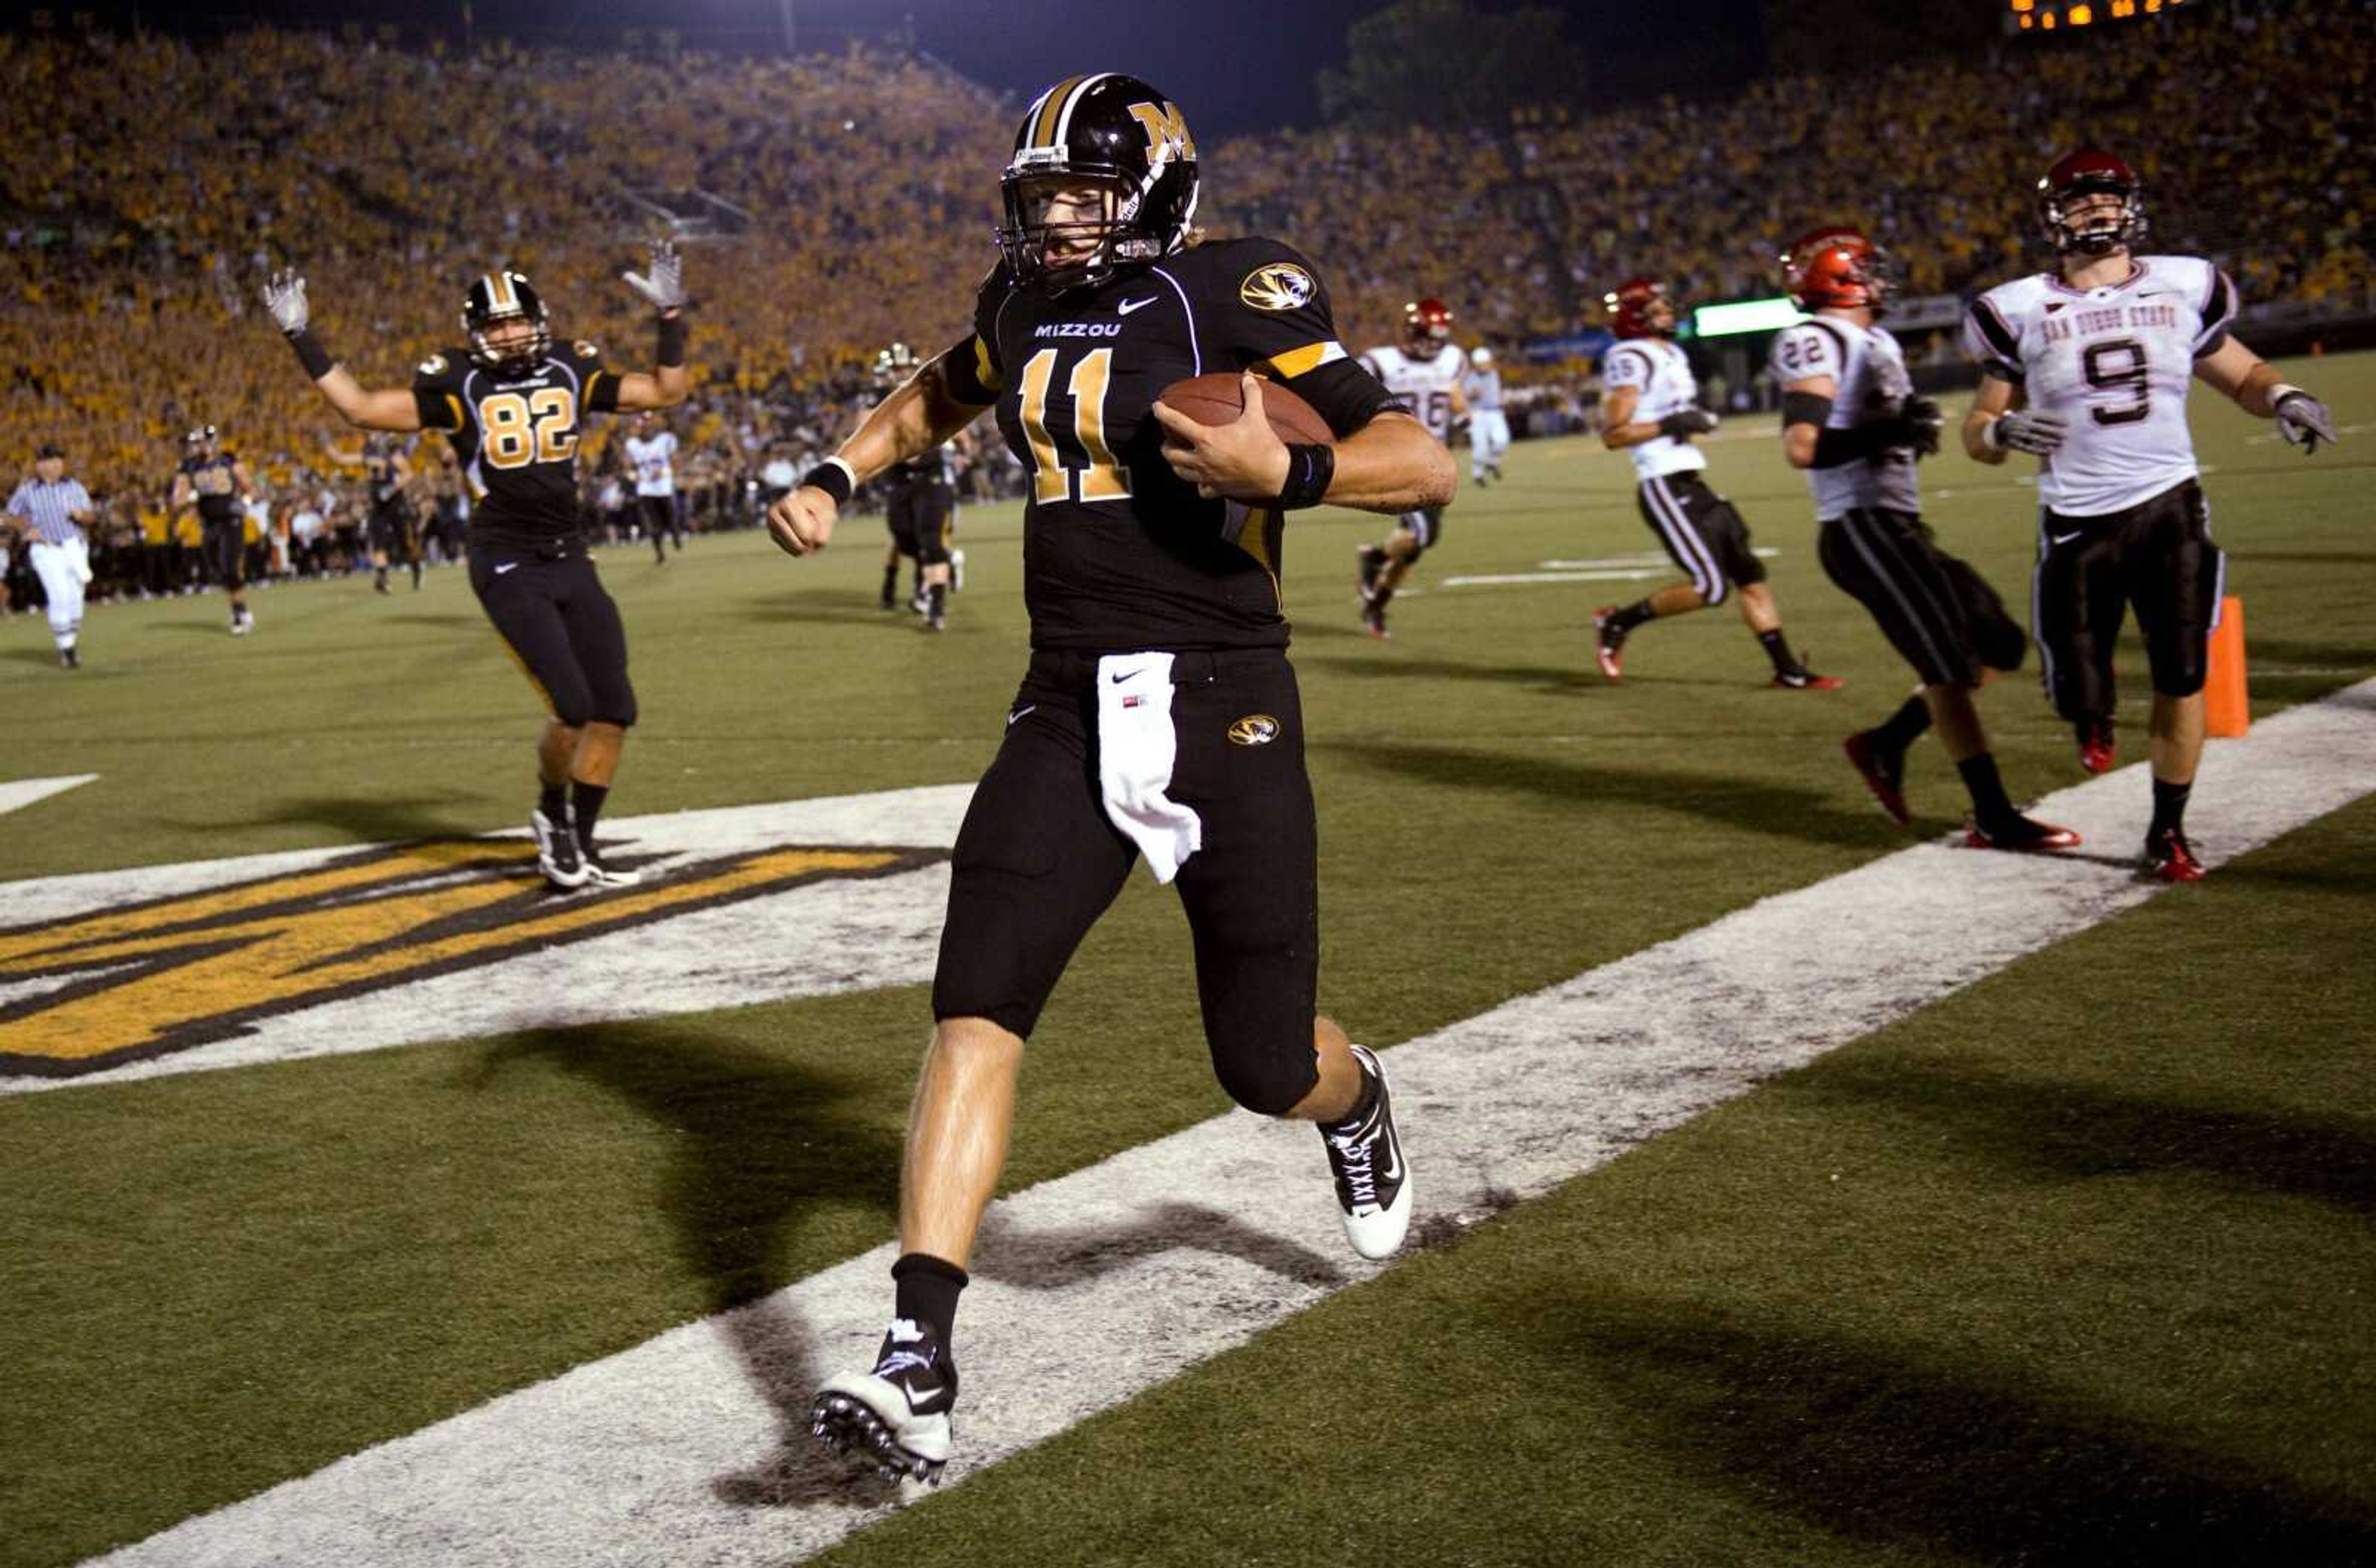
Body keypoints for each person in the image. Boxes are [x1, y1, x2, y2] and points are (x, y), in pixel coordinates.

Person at [766, 71, 1452, 1486]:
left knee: (1263, 1064)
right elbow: (937, 390)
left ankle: (1354, 1101)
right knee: (973, 1005)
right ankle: (918, 1358)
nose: (1053, 225)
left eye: (1077, 198)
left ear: (1150, 187)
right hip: (1063, 706)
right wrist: (838, 471)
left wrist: (1290, 471)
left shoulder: (1234, 292)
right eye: (1038, 202)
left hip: (1221, 707)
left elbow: (1417, 455)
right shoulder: (1017, 298)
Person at [261, 243, 691, 889]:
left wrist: (671, 317)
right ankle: (552, 815)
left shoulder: (573, 367)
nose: (512, 333)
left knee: (615, 710)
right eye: (498, 325)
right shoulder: (458, 379)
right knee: (571, 705)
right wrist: (301, 334)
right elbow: (360, 408)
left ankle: (582, 841)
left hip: (571, 552)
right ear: (476, 334)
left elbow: (667, 389)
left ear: (539, 319)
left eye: (519, 320)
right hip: (507, 558)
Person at [1963, 150, 2338, 881]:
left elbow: (2245, 375)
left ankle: (2167, 829)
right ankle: (2092, 709)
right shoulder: (2014, 309)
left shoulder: (2185, 283)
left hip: (2169, 504)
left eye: (2109, 199)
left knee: (2182, 675)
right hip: (2075, 518)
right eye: (2081, 202)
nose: (2098, 212)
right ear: (2054, 218)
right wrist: (2000, 432)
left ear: (2132, 206)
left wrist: (2285, 394)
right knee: (2075, 691)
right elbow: (1977, 427)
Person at [1770, 228, 2078, 851]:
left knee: (1997, 641)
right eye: (1870, 269)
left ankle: (1884, 743)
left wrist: (1897, 429)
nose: (1883, 279)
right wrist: (1889, 430)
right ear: (1843, 277)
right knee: (1950, 663)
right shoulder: (1816, 337)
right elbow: (1802, 446)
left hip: (1897, 525)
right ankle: (1992, 813)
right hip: (1861, 527)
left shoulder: (1874, 337)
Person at [1590, 277, 1839, 690]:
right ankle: (1617, 622)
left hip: (1693, 479)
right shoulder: (1631, 355)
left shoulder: (1670, 353)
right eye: (1657, 309)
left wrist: (1690, 420)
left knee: (1749, 572)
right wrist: (1675, 423)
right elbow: (1613, 433)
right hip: (1662, 483)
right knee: (1710, 587)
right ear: (1636, 317)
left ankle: (1787, 669)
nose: (1668, 314)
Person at [1353, 297, 1466, 638]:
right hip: (1397, 457)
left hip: (1433, 457)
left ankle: (1377, 601)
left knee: (1414, 549)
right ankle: (1374, 560)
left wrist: (1467, 421)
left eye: (1437, 339)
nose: (1431, 345)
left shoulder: (1453, 360)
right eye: (1425, 336)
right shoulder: (1379, 362)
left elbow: (1454, 394)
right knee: (1423, 534)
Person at [869, 342, 962, 629]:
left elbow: (958, 422)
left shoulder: (932, 391)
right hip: (898, 478)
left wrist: (955, 449)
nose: (900, 373)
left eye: (904, 368)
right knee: (905, 539)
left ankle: (936, 606)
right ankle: (947, 564)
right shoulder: (874, 399)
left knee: (930, 541)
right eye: (895, 369)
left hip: (931, 475)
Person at [5, 444, 97, 668]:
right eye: (51, 460)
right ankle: (66, 648)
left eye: (59, 460)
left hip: (74, 547)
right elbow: (9, 516)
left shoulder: (73, 486)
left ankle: (69, 641)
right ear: (40, 465)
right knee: (60, 596)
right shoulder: (29, 490)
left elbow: (91, 516)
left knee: (76, 600)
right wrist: (26, 530)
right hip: (46, 549)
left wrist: (81, 515)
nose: (57, 465)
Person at [170, 425, 257, 634]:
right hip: (208, 523)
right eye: (197, 443)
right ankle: (239, 607)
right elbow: (178, 499)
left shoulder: (229, 460)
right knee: (218, 569)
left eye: (203, 442)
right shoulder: (188, 467)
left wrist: (245, 502)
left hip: (231, 519)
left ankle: (240, 613)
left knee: (229, 566)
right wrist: (187, 498)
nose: (200, 447)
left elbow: (250, 487)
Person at [622, 410, 684, 564]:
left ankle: (675, 533)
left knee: (670, 518)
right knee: (655, 524)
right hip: (646, 488)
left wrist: (663, 472)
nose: (647, 430)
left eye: (650, 426)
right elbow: (627, 468)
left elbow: (677, 463)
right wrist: (634, 476)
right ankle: (660, 554)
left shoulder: (666, 440)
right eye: (644, 427)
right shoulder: (632, 444)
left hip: (663, 486)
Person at [1462, 345, 1510, 486]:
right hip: (1478, 414)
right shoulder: (1470, 378)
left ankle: (1492, 462)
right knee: (1480, 446)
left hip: (1495, 412)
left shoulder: (1495, 374)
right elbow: (1464, 397)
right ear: (1476, 365)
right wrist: (1472, 394)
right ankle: (1478, 475)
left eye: (1486, 363)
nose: (1485, 366)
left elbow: (1496, 391)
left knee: (1502, 441)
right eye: (1481, 364)